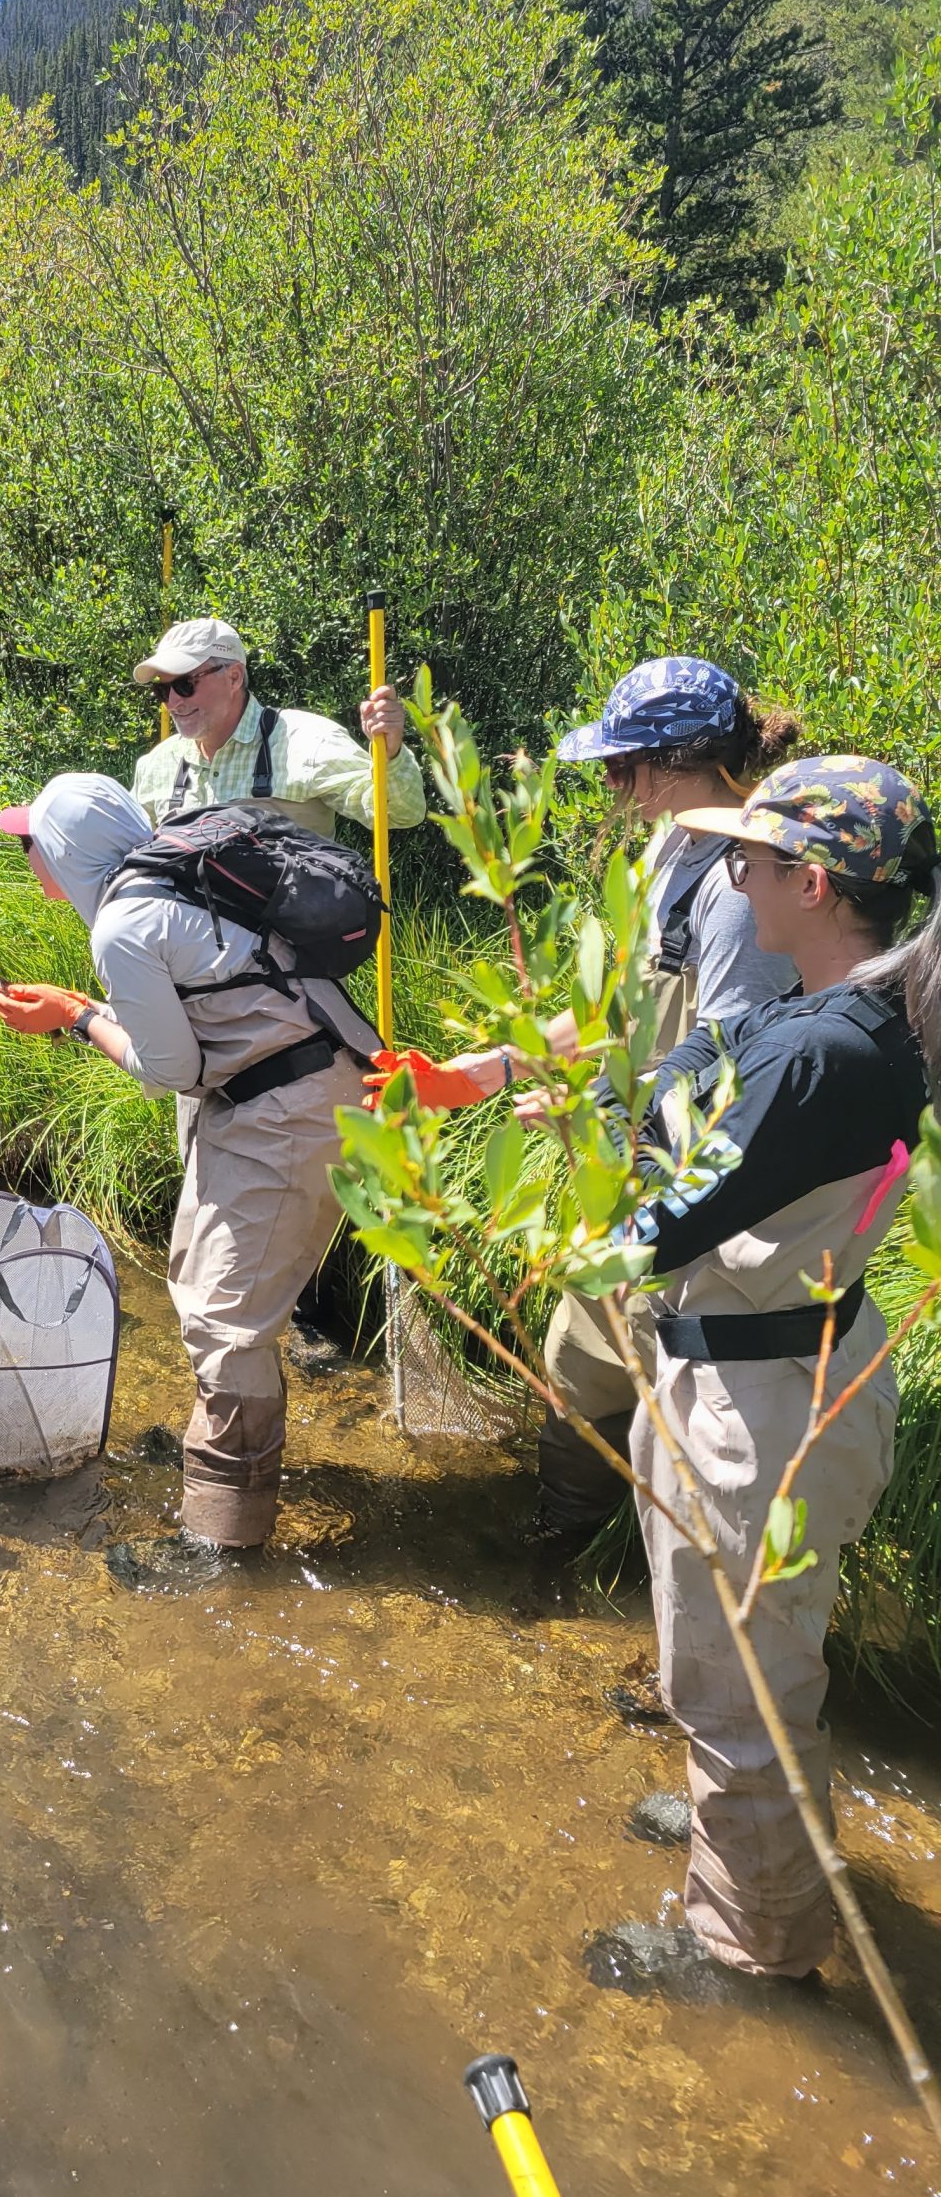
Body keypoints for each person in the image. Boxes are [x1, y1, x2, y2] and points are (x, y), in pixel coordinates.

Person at [602, 757, 939, 1983]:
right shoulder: (860, 1011)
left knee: (743, 1697)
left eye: (745, 859)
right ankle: (743, 1849)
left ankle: (748, 1959)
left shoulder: (819, 1056)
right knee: (755, 1669)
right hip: (788, 1368)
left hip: (759, 1409)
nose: (729, 876)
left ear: (809, 882)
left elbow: (646, 1225)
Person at [444, 658, 802, 1539]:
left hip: (697, 1194)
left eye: (618, 767)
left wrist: (596, 1117)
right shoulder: (671, 846)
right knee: (577, 1365)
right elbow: (619, 1007)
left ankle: (664, 1590)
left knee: (675, 1399)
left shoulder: (737, 886)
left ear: (675, 763)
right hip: (623, 1172)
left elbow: (731, 1069)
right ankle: (561, 1542)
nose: (610, 787)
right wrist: (496, 1067)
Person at [0, 774, 380, 1549]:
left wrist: (75, 1017)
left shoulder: (126, 924)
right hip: (294, 1089)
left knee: (228, 1324)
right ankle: (227, 1474)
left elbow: (173, 1070)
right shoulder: (170, 883)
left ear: (65, 853)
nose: (26, 853)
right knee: (203, 1292)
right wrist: (82, 1010)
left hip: (290, 1108)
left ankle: (225, 1545)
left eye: (32, 842)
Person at [130, 616, 426, 838]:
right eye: (162, 690)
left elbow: (400, 814)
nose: (173, 703)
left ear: (234, 678)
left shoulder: (308, 742)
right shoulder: (157, 764)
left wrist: (389, 753)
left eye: (184, 685)